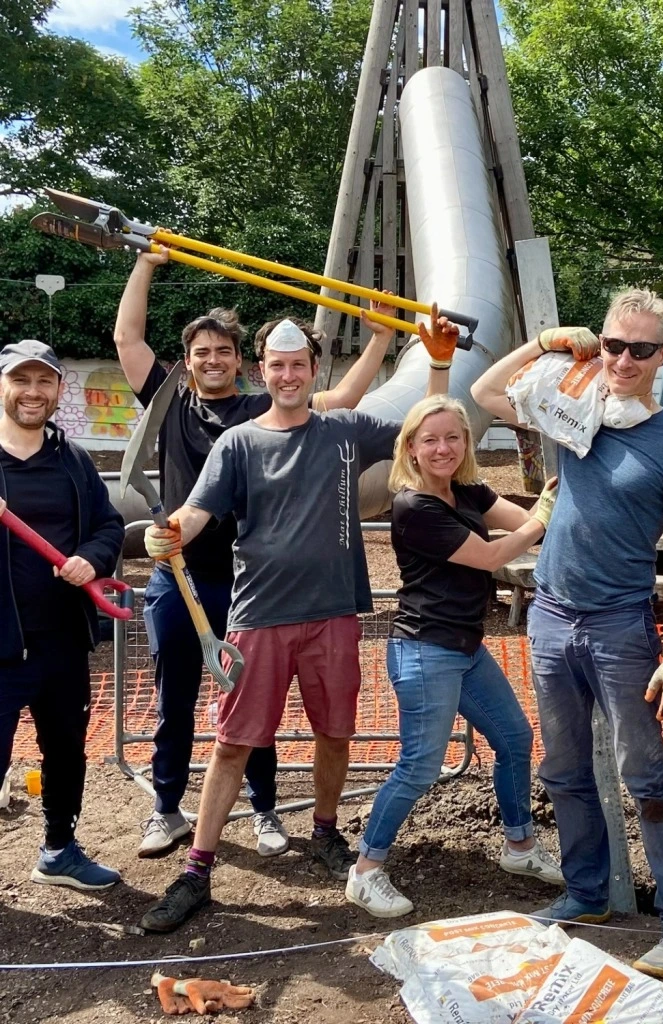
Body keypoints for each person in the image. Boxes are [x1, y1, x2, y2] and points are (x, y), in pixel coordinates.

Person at [137, 308, 459, 932]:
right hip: (258, 615)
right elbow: (199, 508)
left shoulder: (345, 431)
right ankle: (198, 869)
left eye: (298, 365)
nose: (287, 375)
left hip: (334, 614)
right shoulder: (239, 441)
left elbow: (425, 431)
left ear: (315, 370)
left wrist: (439, 363)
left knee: (334, 732)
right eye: (277, 366)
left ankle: (325, 832)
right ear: (263, 370)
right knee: (233, 743)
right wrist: (172, 532)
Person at [114, 250, 399, 858]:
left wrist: (381, 341)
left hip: (255, 586)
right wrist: (147, 261)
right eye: (201, 353)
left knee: (260, 716)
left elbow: (350, 397)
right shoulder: (170, 405)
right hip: (192, 579)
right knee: (184, 702)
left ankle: (268, 812)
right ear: (187, 362)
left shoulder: (259, 409)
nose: (213, 360)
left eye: (224, 351)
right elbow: (125, 337)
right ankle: (167, 810)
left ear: (244, 363)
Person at [471, 289, 663, 978]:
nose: (622, 360)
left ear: (661, 355)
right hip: (551, 616)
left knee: (646, 774)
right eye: (612, 345)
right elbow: (483, 390)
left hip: (620, 624)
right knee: (562, 768)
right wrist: (543, 344)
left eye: (639, 349)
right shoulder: (575, 408)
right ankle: (587, 894)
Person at [344, 394, 562, 918]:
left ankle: (520, 847)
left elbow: (528, 519)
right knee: (420, 767)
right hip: (424, 651)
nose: (442, 448)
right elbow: (490, 555)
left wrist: (554, 498)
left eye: (452, 437)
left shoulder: (467, 490)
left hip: (464, 648)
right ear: (412, 449)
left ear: (466, 443)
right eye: (430, 440)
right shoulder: (412, 505)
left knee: (515, 738)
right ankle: (365, 870)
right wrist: (543, 518)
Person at [0, 340, 124, 891]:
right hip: (1, 646)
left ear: (56, 390)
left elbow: (109, 525)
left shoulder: (71, 461)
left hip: (61, 642)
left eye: (43, 382)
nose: (32, 392)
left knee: (66, 752)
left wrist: (90, 560)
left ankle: (59, 851)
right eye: (20, 381)